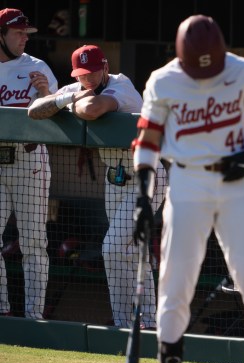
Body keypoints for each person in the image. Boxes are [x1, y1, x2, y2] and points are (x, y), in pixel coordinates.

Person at [131, 15, 244, 363]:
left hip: (235, 186)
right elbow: (148, 136)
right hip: (186, 182)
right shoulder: (164, 79)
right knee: (175, 282)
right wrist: (142, 194)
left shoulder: (241, 70)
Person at [28, 44, 167, 329]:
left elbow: (93, 108)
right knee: (127, 252)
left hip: (145, 176)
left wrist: (71, 101)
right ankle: (131, 322)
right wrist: (68, 95)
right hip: (113, 180)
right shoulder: (77, 87)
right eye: (82, 74)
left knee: (112, 248)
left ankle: (145, 321)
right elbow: (34, 111)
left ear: (104, 67)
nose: (87, 79)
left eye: (92, 72)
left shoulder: (121, 84)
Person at [0, 8, 58, 319]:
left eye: (26, 33)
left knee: (34, 241)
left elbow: (62, 115)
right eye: (18, 32)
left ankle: (34, 315)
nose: (24, 38)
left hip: (29, 160)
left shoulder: (38, 67)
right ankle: (2, 310)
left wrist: (47, 94)